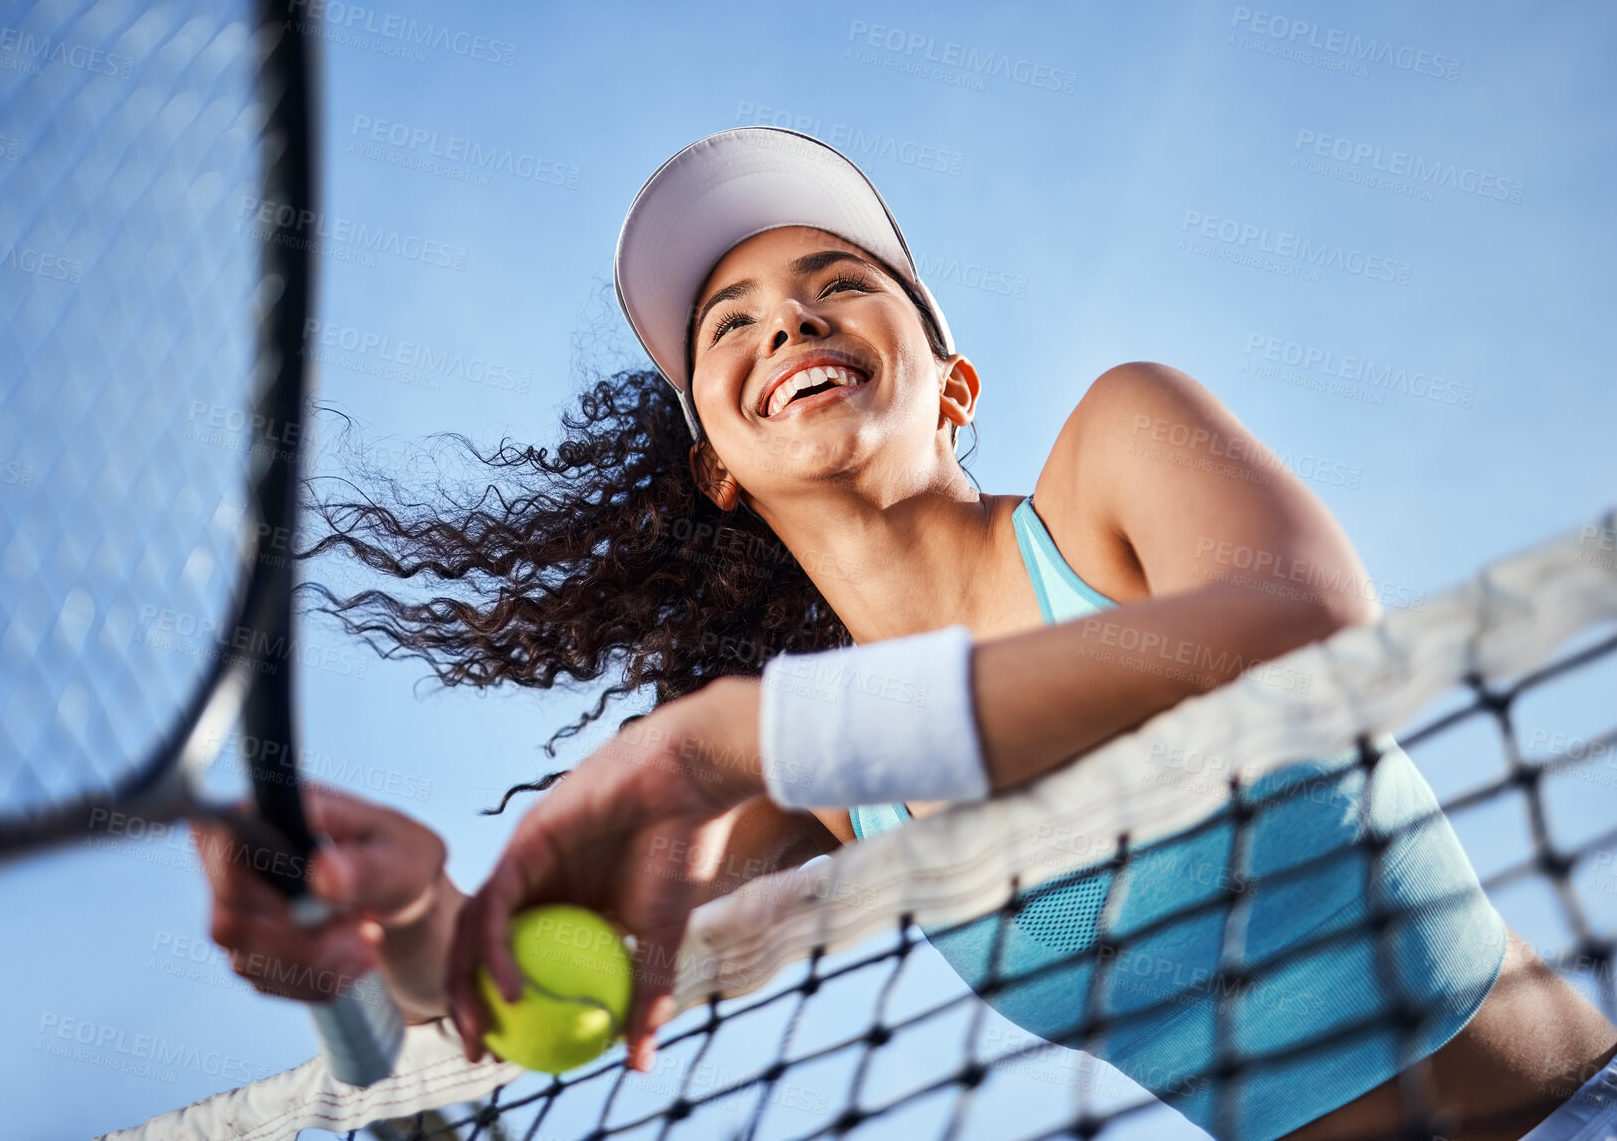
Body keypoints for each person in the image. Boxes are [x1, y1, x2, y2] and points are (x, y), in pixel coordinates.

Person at [196, 128, 1616, 1141]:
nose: (790, 319)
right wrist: (392, 926)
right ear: (718, 466)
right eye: (729, 323)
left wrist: (740, 735)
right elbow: (548, 992)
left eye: (838, 278)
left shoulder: (1115, 456)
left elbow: (1305, 634)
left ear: (951, 381)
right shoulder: (817, 780)